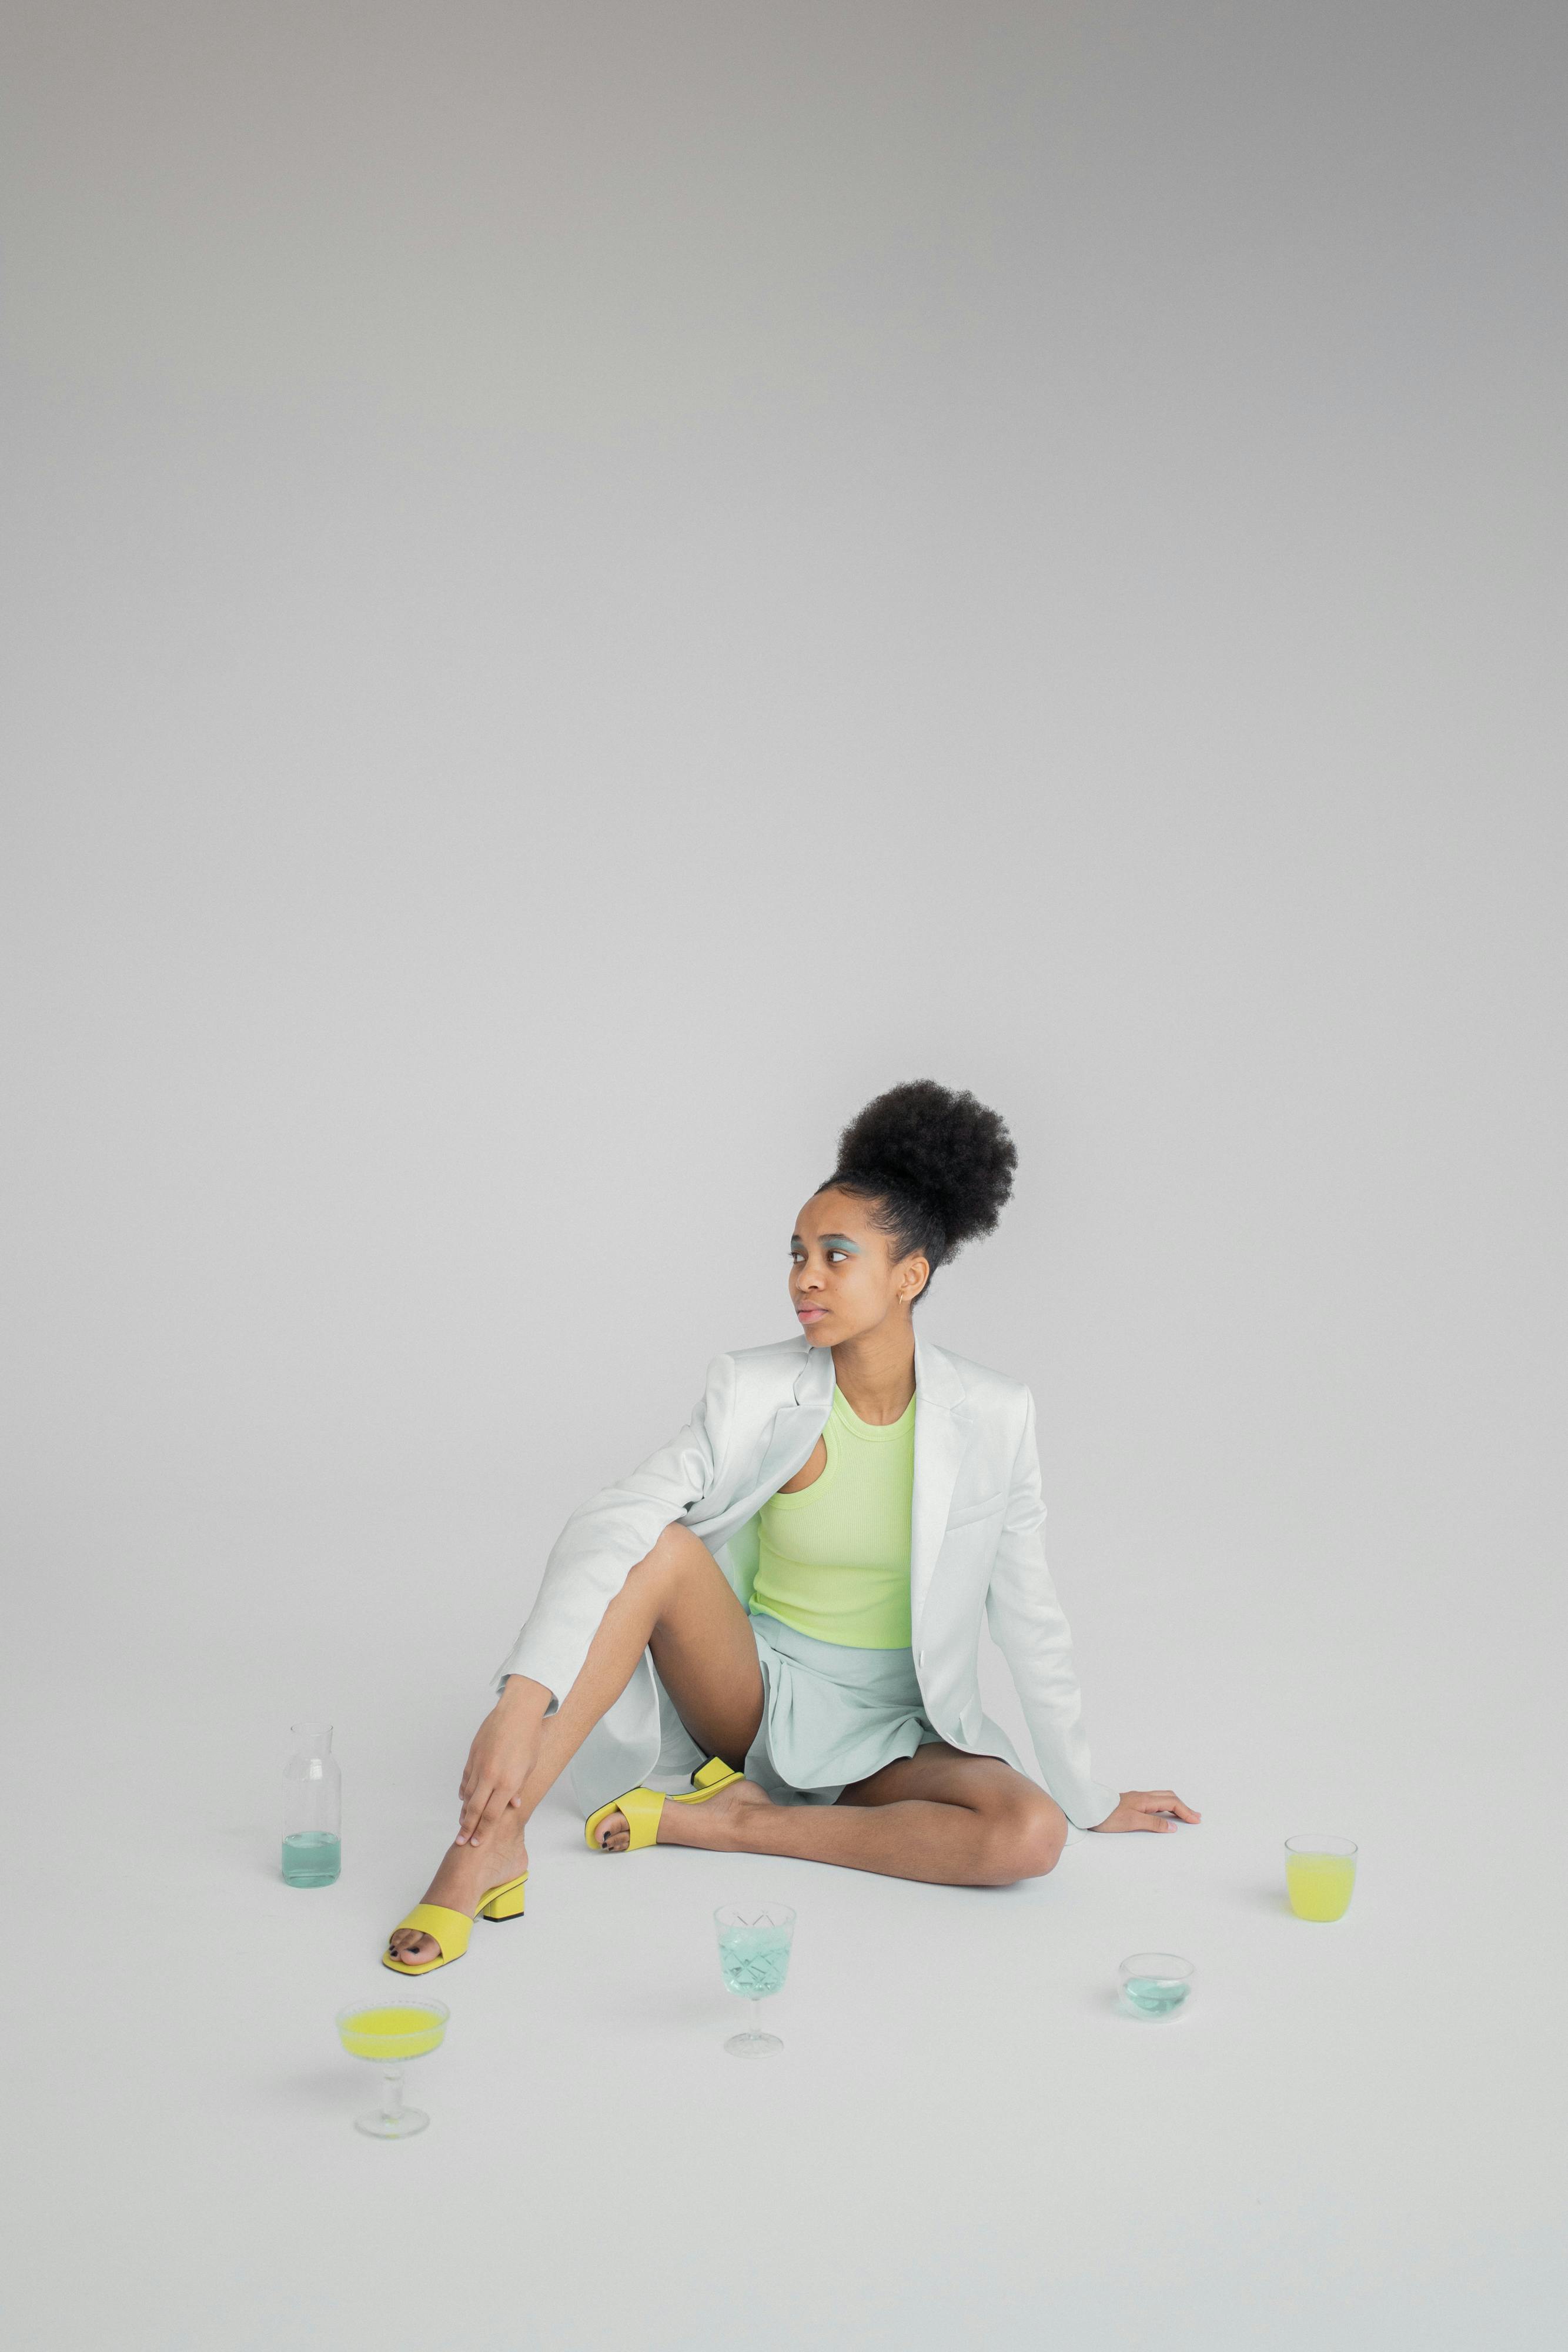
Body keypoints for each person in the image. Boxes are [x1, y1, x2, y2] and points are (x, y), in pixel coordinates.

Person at [385, 1080, 1199, 1973]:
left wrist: (1087, 1794)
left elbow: (1031, 1613)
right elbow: (614, 1518)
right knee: (658, 1546)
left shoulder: (997, 1415)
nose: (805, 1276)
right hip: (755, 1694)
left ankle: (740, 1826)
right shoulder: (755, 1388)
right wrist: (522, 1696)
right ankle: (486, 1845)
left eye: (836, 1255)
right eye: (797, 1253)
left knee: (1029, 1836)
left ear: (909, 1275)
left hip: (896, 1730)